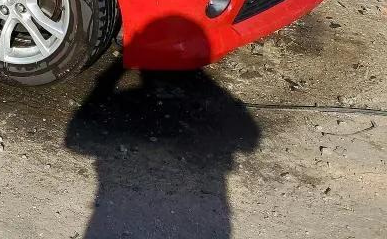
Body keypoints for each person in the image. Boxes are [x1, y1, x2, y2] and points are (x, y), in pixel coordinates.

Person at [65, 18, 260, 239]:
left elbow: (74, 141)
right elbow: (250, 139)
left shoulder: (127, 100)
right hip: (210, 213)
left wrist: (111, 74)